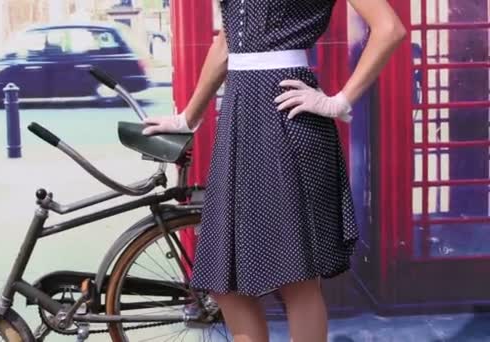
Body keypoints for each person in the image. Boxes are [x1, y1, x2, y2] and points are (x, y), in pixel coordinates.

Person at [142, 0, 406, 341]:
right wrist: (187, 117)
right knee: (226, 282)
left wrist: (338, 102)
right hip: (239, 120)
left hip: (287, 120)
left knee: (297, 277)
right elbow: (226, 42)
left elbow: (390, 29)